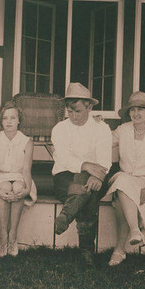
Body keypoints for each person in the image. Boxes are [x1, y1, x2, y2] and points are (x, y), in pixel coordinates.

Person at [105, 91, 145, 266]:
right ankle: (135, 230)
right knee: (123, 182)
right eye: (133, 109)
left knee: (121, 195)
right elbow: (103, 140)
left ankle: (119, 250)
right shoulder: (123, 130)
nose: (136, 113)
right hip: (128, 180)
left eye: (141, 109)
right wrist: (97, 126)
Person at [51, 82, 112, 266]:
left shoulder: (101, 128)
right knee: (88, 193)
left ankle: (67, 215)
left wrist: (97, 176)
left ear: (89, 107)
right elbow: (63, 158)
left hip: (96, 177)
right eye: (70, 111)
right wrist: (86, 165)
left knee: (87, 186)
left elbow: (104, 160)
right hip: (65, 178)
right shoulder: (60, 129)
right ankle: (86, 252)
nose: (73, 116)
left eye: (77, 111)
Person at [0, 102, 37, 257]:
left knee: (18, 187)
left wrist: (27, 188)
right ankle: (3, 235)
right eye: (5, 118)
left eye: (13, 118)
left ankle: (13, 235)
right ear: (1, 121)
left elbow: (26, 169)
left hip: (19, 176)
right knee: (5, 187)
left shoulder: (27, 141)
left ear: (19, 120)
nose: (9, 121)